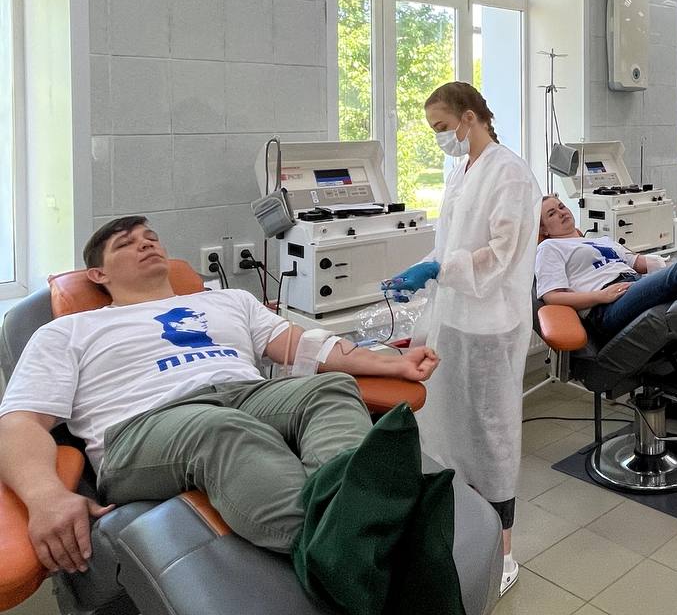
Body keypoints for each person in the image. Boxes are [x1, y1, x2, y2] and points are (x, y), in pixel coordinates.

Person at [0, 217, 439, 575]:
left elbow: (308, 347)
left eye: (150, 237)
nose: (145, 244)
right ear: (98, 274)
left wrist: (393, 364)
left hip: (248, 395)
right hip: (144, 425)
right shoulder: (68, 330)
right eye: (126, 244)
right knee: (222, 428)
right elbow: (21, 422)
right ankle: (345, 555)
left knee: (329, 388)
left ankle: (357, 524)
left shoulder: (229, 301)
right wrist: (45, 497)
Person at [382, 81, 540, 596]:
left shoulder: (509, 172)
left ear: (470, 117)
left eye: (443, 127)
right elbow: (449, 244)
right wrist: (421, 272)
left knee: (491, 437)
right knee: (451, 430)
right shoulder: (461, 171)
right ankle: (464, 534)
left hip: (491, 326)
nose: (440, 138)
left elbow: (501, 253)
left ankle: (503, 553)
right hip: (454, 321)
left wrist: (438, 269)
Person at [536, 196, 677, 339]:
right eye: (552, 213)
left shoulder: (601, 241)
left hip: (634, 284)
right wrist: (600, 296)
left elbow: (639, 263)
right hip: (607, 307)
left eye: (561, 206)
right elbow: (552, 296)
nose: (562, 212)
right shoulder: (549, 247)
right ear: (543, 229)